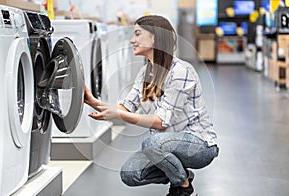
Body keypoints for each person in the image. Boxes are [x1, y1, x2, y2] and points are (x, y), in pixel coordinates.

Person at [84, 15, 219, 196]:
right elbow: (127, 106)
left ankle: (183, 187)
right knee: (130, 173)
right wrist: (95, 102)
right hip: (165, 144)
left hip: (198, 145)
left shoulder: (180, 72)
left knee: (151, 142)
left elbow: (160, 123)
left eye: (138, 34)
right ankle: (182, 173)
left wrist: (119, 115)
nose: (132, 40)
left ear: (154, 37)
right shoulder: (146, 72)